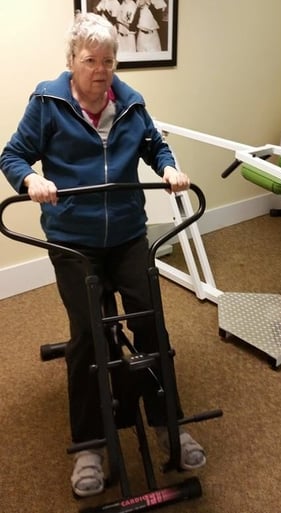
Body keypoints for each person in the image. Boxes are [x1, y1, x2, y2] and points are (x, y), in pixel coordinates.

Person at [0, 12, 205, 498]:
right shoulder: (47, 101)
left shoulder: (131, 104)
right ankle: (90, 445)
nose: (100, 69)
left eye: (108, 61)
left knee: (151, 322)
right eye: (90, 60)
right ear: (72, 61)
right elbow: (12, 155)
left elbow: (156, 147)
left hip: (129, 235)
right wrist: (32, 180)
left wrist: (170, 166)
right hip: (73, 239)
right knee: (91, 336)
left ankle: (167, 426)